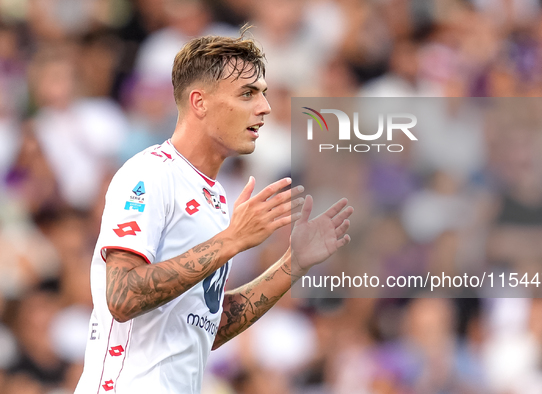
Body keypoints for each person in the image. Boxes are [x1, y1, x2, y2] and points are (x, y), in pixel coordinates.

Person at [74, 30, 353, 394]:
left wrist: (292, 264)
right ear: (199, 102)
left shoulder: (216, 199)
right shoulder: (150, 174)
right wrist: (231, 240)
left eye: (264, 93)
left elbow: (205, 325)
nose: (265, 107)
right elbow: (123, 296)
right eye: (248, 93)